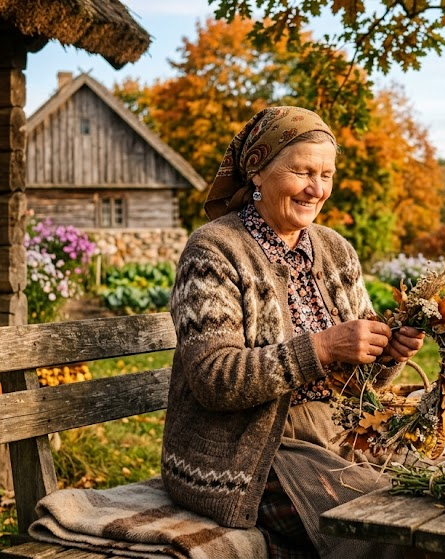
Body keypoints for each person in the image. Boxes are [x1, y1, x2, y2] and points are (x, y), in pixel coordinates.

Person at [161, 106, 425, 558]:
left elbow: (363, 387)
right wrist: (322, 347)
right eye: (302, 171)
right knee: (381, 530)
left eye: (326, 174)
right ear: (258, 173)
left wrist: (387, 355)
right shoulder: (214, 250)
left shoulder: (336, 251)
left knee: (428, 500)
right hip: (244, 455)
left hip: (333, 438)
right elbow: (213, 378)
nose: (316, 188)